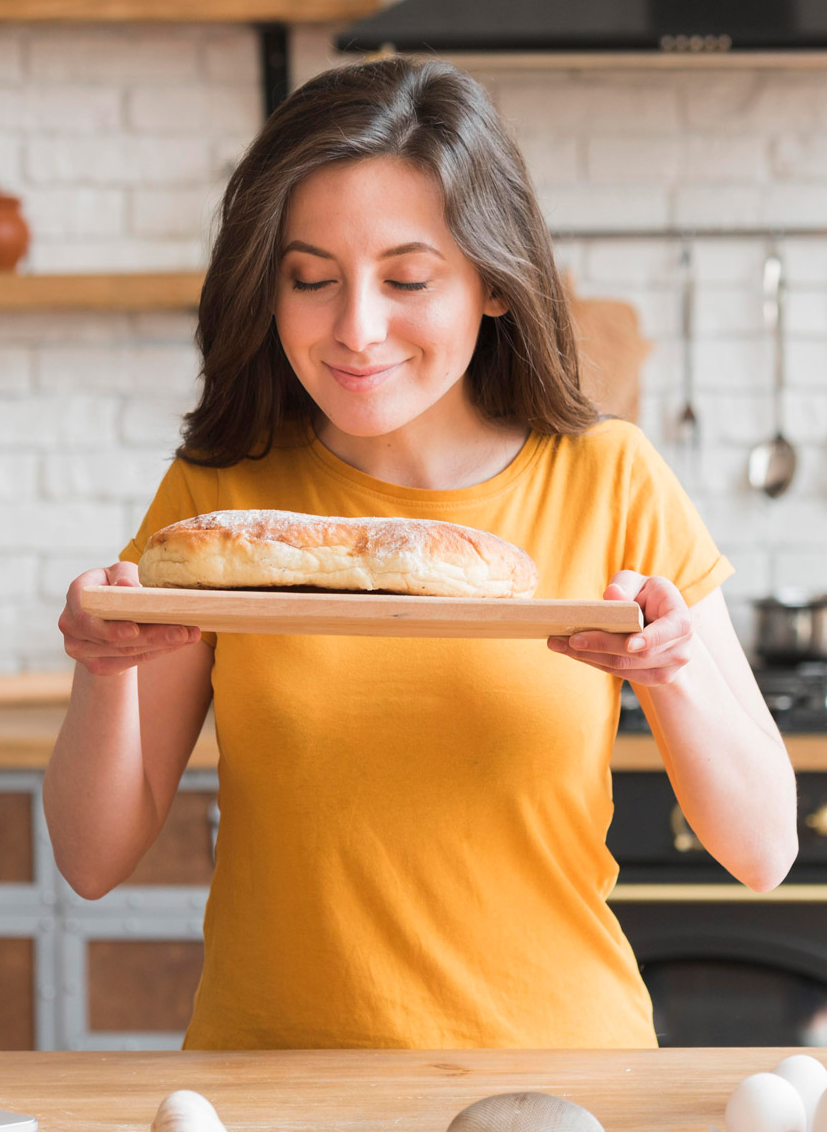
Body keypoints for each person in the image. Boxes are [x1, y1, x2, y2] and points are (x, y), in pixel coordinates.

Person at [44, 56, 797, 1050]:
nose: (356, 329)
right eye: (310, 279)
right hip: (272, 1084)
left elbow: (763, 850)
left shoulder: (607, 478)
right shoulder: (221, 503)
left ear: (491, 283)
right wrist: (103, 672)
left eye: (405, 279)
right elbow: (92, 858)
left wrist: (671, 677)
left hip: (556, 1085)